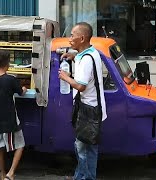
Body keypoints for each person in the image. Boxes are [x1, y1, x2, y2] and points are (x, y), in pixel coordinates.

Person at [58, 22, 107, 180]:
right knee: (90, 148)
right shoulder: (92, 53)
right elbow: (84, 64)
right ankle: (83, 176)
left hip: (88, 110)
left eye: (73, 35)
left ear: (82, 38)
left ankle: (83, 177)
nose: (70, 38)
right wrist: (73, 57)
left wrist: (66, 77)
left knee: (81, 147)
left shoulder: (85, 59)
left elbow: (80, 86)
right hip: (95, 107)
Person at [0, 50, 27, 180]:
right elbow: (21, 92)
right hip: (10, 118)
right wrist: (25, 89)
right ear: (8, 64)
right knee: (20, 145)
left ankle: (3, 174)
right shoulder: (11, 79)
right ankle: (11, 173)